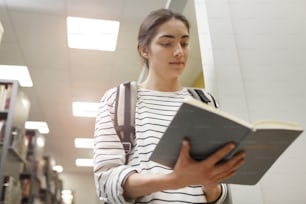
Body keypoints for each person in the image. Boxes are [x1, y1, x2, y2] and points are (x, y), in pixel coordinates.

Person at [94, 8, 245, 204]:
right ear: (144, 49)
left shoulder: (204, 101)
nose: (179, 51)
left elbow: (219, 192)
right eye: (166, 43)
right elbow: (105, 181)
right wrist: (174, 180)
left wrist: (209, 182)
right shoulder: (118, 100)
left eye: (184, 43)